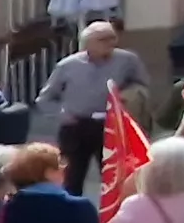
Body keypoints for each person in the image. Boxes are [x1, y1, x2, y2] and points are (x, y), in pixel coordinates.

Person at [37, 20, 147, 188]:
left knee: (115, 176)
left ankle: (115, 213)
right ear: (87, 43)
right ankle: (73, 212)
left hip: (111, 125)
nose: (110, 43)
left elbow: (141, 84)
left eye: (112, 38)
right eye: (103, 39)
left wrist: (129, 96)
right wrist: (63, 114)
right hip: (76, 126)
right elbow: (45, 99)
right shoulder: (68, 65)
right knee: (72, 177)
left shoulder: (127, 60)